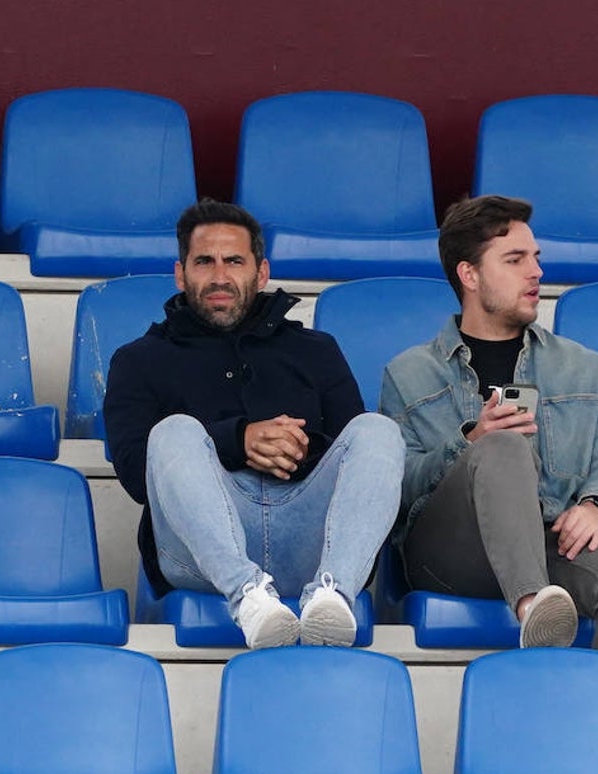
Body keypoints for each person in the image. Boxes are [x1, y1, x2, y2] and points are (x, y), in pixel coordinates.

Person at [104, 199, 404, 649]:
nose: (220, 276)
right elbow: (134, 473)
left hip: (308, 538)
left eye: (234, 261)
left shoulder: (316, 349)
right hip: (198, 555)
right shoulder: (139, 360)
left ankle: (334, 597)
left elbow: (353, 456)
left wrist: (298, 448)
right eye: (204, 261)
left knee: (378, 431)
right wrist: (236, 440)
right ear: (181, 273)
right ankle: (248, 598)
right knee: (172, 432)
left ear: (261, 273)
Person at [379, 195, 598, 667]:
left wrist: (596, 506)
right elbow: (398, 487)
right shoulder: (409, 373)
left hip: (550, 539)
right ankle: (533, 606)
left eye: (536, 259)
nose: (536, 273)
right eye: (515, 260)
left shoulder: (582, 367)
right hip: (452, 556)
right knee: (501, 446)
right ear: (469, 275)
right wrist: (467, 444)